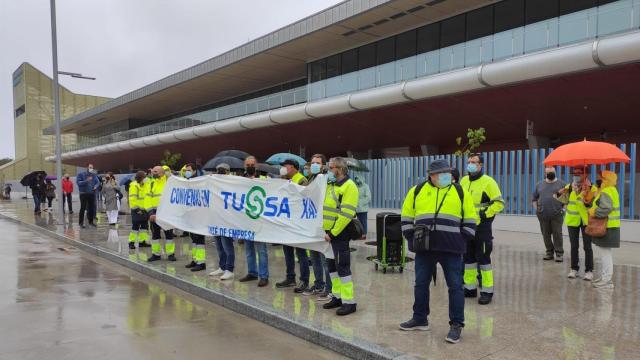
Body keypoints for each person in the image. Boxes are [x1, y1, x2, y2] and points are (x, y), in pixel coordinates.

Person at [399, 159, 477, 344]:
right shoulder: (417, 191)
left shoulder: (459, 191)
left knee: (456, 287)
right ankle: (420, 318)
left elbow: (470, 217)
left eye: (447, 173)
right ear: (431, 176)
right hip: (424, 249)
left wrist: (462, 238)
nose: (445, 176)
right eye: (441, 174)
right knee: (420, 284)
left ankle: (456, 324)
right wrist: (411, 237)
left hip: (451, 249)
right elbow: (407, 215)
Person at [460, 154, 504, 305]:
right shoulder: (464, 181)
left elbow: (499, 203)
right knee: (468, 259)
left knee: (483, 259)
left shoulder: (489, 182)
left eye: (474, 162)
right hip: (466, 226)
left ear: (481, 165)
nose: (470, 164)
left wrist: (484, 214)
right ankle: (470, 288)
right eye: (469, 162)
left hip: (482, 227)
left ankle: (487, 291)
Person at [322, 157, 359, 316]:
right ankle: (337, 297)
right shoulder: (331, 185)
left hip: (339, 234)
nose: (329, 171)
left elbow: (346, 214)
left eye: (331, 168)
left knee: (342, 267)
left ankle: (349, 302)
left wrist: (333, 233)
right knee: (332, 268)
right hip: (328, 234)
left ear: (340, 169)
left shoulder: (350, 186)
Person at [276, 159, 311, 293]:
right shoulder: (286, 180)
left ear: (295, 168)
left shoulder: (301, 180)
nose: (284, 169)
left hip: (297, 223)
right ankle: (290, 277)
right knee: (288, 252)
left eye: (286, 166)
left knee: (301, 253)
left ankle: (304, 280)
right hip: (287, 222)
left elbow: (303, 199)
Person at [557, 167, 596, 280]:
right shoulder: (569, 187)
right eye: (574, 173)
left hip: (586, 221)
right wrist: (559, 194)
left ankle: (589, 271)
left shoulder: (592, 188)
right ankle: (574, 269)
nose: (576, 175)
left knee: (587, 247)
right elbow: (562, 200)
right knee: (574, 246)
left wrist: (585, 196)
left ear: (585, 174)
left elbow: (593, 205)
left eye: (579, 173)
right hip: (572, 220)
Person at [303, 154, 333, 301]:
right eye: (312, 162)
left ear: (323, 165)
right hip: (311, 224)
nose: (314, 165)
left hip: (323, 225)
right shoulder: (311, 179)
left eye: (317, 163)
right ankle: (318, 284)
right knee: (314, 258)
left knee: (324, 259)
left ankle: (329, 288)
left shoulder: (327, 179)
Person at [238, 156, 269, 287]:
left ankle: (263, 276)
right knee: (249, 249)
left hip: (259, 221)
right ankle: (252, 272)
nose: (250, 166)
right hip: (246, 221)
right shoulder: (240, 180)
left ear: (256, 166)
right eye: (248, 164)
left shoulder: (264, 180)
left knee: (261, 250)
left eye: (252, 164)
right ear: (245, 166)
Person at [590, 171, 621, 290]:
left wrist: (593, 212)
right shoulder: (611, 189)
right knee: (606, 253)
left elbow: (606, 208)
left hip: (607, 227)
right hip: (609, 226)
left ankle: (607, 281)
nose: (599, 180)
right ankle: (605, 278)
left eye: (601, 178)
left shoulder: (607, 191)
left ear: (606, 180)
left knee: (605, 254)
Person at [532, 166, 567, 262]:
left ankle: (559, 254)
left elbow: (566, 200)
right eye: (548, 172)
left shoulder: (562, 184)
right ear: (545, 173)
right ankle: (549, 253)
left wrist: (563, 210)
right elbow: (534, 199)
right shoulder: (539, 185)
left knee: (557, 234)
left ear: (555, 172)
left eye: (552, 172)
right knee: (546, 234)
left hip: (557, 214)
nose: (550, 173)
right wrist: (536, 209)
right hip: (543, 215)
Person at [209, 163, 236, 280]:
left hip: (227, 220)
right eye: (219, 170)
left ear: (228, 172)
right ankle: (222, 266)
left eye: (223, 171)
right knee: (219, 246)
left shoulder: (233, 183)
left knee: (227, 246)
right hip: (216, 218)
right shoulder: (214, 183)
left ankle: (229, 269)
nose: (220, 172)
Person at [146, 166, 176, 262]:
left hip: (167, 212)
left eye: (156, 171)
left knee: (169, 234)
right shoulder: (150, 183)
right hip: (154, 213)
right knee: (155, 234)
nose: (153, 173)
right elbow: (147, 199)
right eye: (153, 171)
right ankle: (156, 254)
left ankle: (170, 254)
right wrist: (151, 213)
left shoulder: (169, 182)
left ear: (162, 172)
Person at [182, 164, 207, 272]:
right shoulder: (187, 182)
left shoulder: (199, 182)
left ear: (195, 171)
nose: (187, 172)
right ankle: (195, 259)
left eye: (189, 170)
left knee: (199, 239)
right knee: (193, 239)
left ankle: (201, 262)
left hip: (199, 215)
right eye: (186, 170)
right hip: (190, 214)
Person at [128, 171, 151, 250]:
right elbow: (132, 199)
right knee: (135, 227)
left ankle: (142, 242)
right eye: (144, 177)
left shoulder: (145, 185)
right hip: (136, 209)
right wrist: (137, 209)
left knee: (144, 227)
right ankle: (131, 242)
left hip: (145, 209)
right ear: (141, 178)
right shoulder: (134, 185)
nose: (146, 178)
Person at [76, 163, 100, 228]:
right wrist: (87, 180)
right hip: (83, 193)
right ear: (87, 167)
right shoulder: (81, 174)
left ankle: (91, 222)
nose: (91, 169)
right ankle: (81, 223)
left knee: (91, 208)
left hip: (91, 193)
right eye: (90, 167)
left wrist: (95, 186)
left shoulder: (94, 175)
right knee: (83, 208)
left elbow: (98, 182)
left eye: (92, 167)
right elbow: (79, 183)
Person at [354, 175, 371, 239]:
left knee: (363, 222)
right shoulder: (355, 186)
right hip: (357, 208)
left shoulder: (366, 186)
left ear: (361, 179)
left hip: (363, 209)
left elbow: (368, 197)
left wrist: (360, 202)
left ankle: (364, 234)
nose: (357, 180)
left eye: (358, 178)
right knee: (358, 223)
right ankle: (359, 234)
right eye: (356, 179)